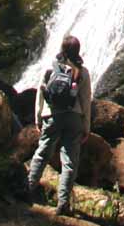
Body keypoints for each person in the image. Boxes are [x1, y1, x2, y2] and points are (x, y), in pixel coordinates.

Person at [27, 34, 92, 216]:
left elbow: (41, 92)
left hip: (52, 115)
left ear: (62, 49)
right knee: (70, 161)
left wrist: (38, 118)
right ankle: (63, 203)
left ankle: (29, 189)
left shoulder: (50, 67)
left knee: (42, 152)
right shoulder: (82, 72)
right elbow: (86, 100)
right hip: (74, 118)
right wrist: (87, 126)